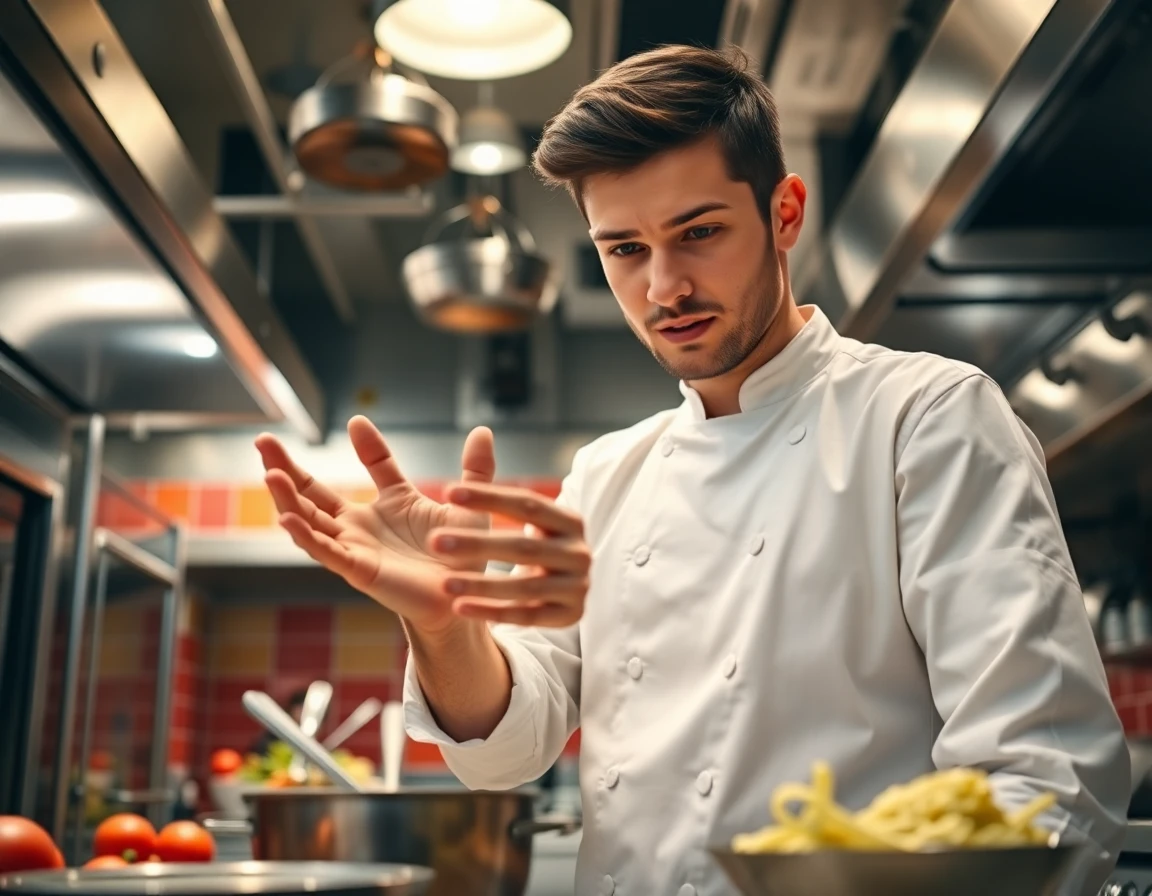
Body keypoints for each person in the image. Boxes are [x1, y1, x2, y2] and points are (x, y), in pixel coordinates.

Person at [254, 45, 1129, 896]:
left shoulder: (924, 421)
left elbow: (1042, 776)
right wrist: (444, 630)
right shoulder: (605, 476)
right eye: (623, 249)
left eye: (698, 232)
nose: (663, 286)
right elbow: (505, 752)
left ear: (785, 213)